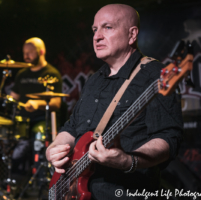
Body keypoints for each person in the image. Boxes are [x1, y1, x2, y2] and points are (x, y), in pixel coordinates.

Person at [46, 4, 183, 200]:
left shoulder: (155, 76)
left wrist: (128, 161)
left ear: (132, 34)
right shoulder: (94, 80)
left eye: (107, 27)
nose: (97, 36)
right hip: (79, 191)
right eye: (94, 29)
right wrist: (54, 149)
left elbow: (169, 137)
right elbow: (72, 127)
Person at [9, 37, 62, 179]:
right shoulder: (22, 74)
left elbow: (56, 103)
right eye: (24, 52)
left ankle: (41, 182)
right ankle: (15, 182)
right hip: (22, 122)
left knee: (39, 143)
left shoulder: (51, 74)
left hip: (41, 121)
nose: (26, 56)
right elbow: (13, 98)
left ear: (42, 51)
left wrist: (37, 104)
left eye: (30, 52)